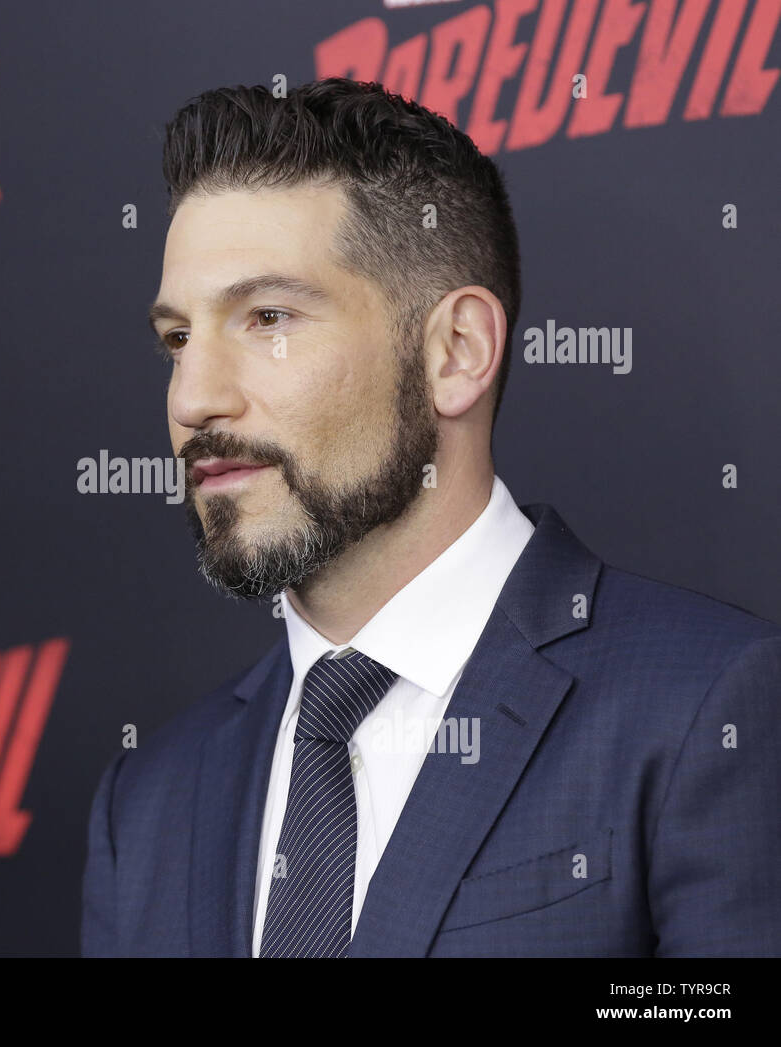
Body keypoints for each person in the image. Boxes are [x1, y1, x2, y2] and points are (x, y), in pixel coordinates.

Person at [80, 78, 781, 957]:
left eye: (268, 318)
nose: (193, 398)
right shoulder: (147, 803)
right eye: (178, 338)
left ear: (457, 353)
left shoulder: (708, 708)